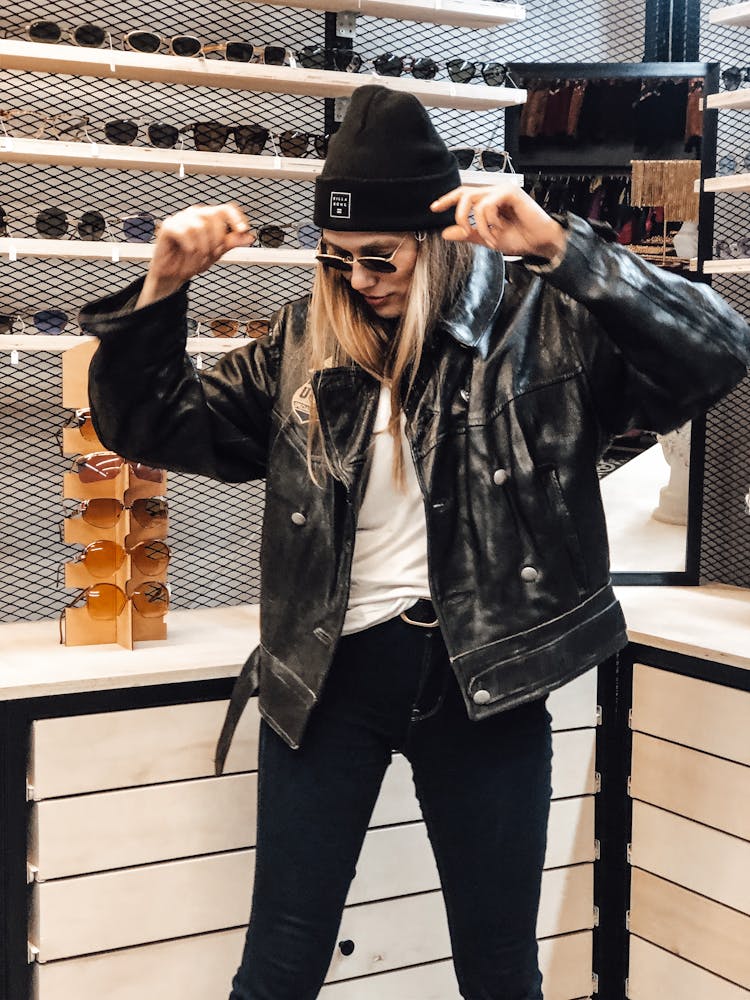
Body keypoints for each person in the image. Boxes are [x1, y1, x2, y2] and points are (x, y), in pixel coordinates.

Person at [81, 85, 750, 1000]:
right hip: (327, 680)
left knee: (498, 969)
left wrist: (564, 249)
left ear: (434, 241)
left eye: (382, 255)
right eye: (338, 258)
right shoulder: (303, 340)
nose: (362, 279)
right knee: (279, 965)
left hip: (486, 678)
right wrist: (161, 291)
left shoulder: (539, 324)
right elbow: (151, 422)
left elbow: (718, 349)